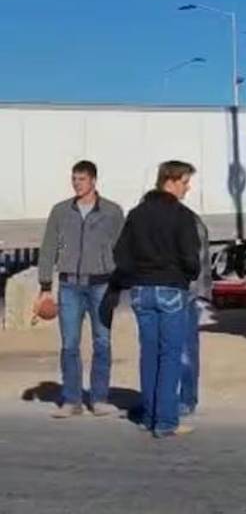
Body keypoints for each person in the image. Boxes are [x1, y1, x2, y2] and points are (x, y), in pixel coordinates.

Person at [113, 160, 202, 438]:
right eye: (185, 182)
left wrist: (134, 276)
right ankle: (165, 421)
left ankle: (149, 416)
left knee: (149, 353)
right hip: (171, 288)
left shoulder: (137, 214)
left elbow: (121, 254)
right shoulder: (182, 216)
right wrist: (185, 274)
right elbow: (191, 258)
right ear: (172, 180)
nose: (188, 188)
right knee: (170, 355)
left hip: (141, 290)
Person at [35, 160, 125, 418]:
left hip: (101, 285)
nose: (77, 183)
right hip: (69, 285)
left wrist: (118, 282)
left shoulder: (112, 211)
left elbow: (122, 248)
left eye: (82, 179)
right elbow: (49, 247)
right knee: (70, 344)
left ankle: (99, 398)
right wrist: (44, 285)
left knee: (102, 342)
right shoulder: (61, 211)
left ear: (94, 181)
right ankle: (72, 399)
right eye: (74, 179)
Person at [179, 214, 211, 420]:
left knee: (185, 350)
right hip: (161, 292)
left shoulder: (190, 220)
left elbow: (202, 259)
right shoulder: (151, 218)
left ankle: (186, 399)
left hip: (186, 294)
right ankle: (163, 399)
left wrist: (202, 295)